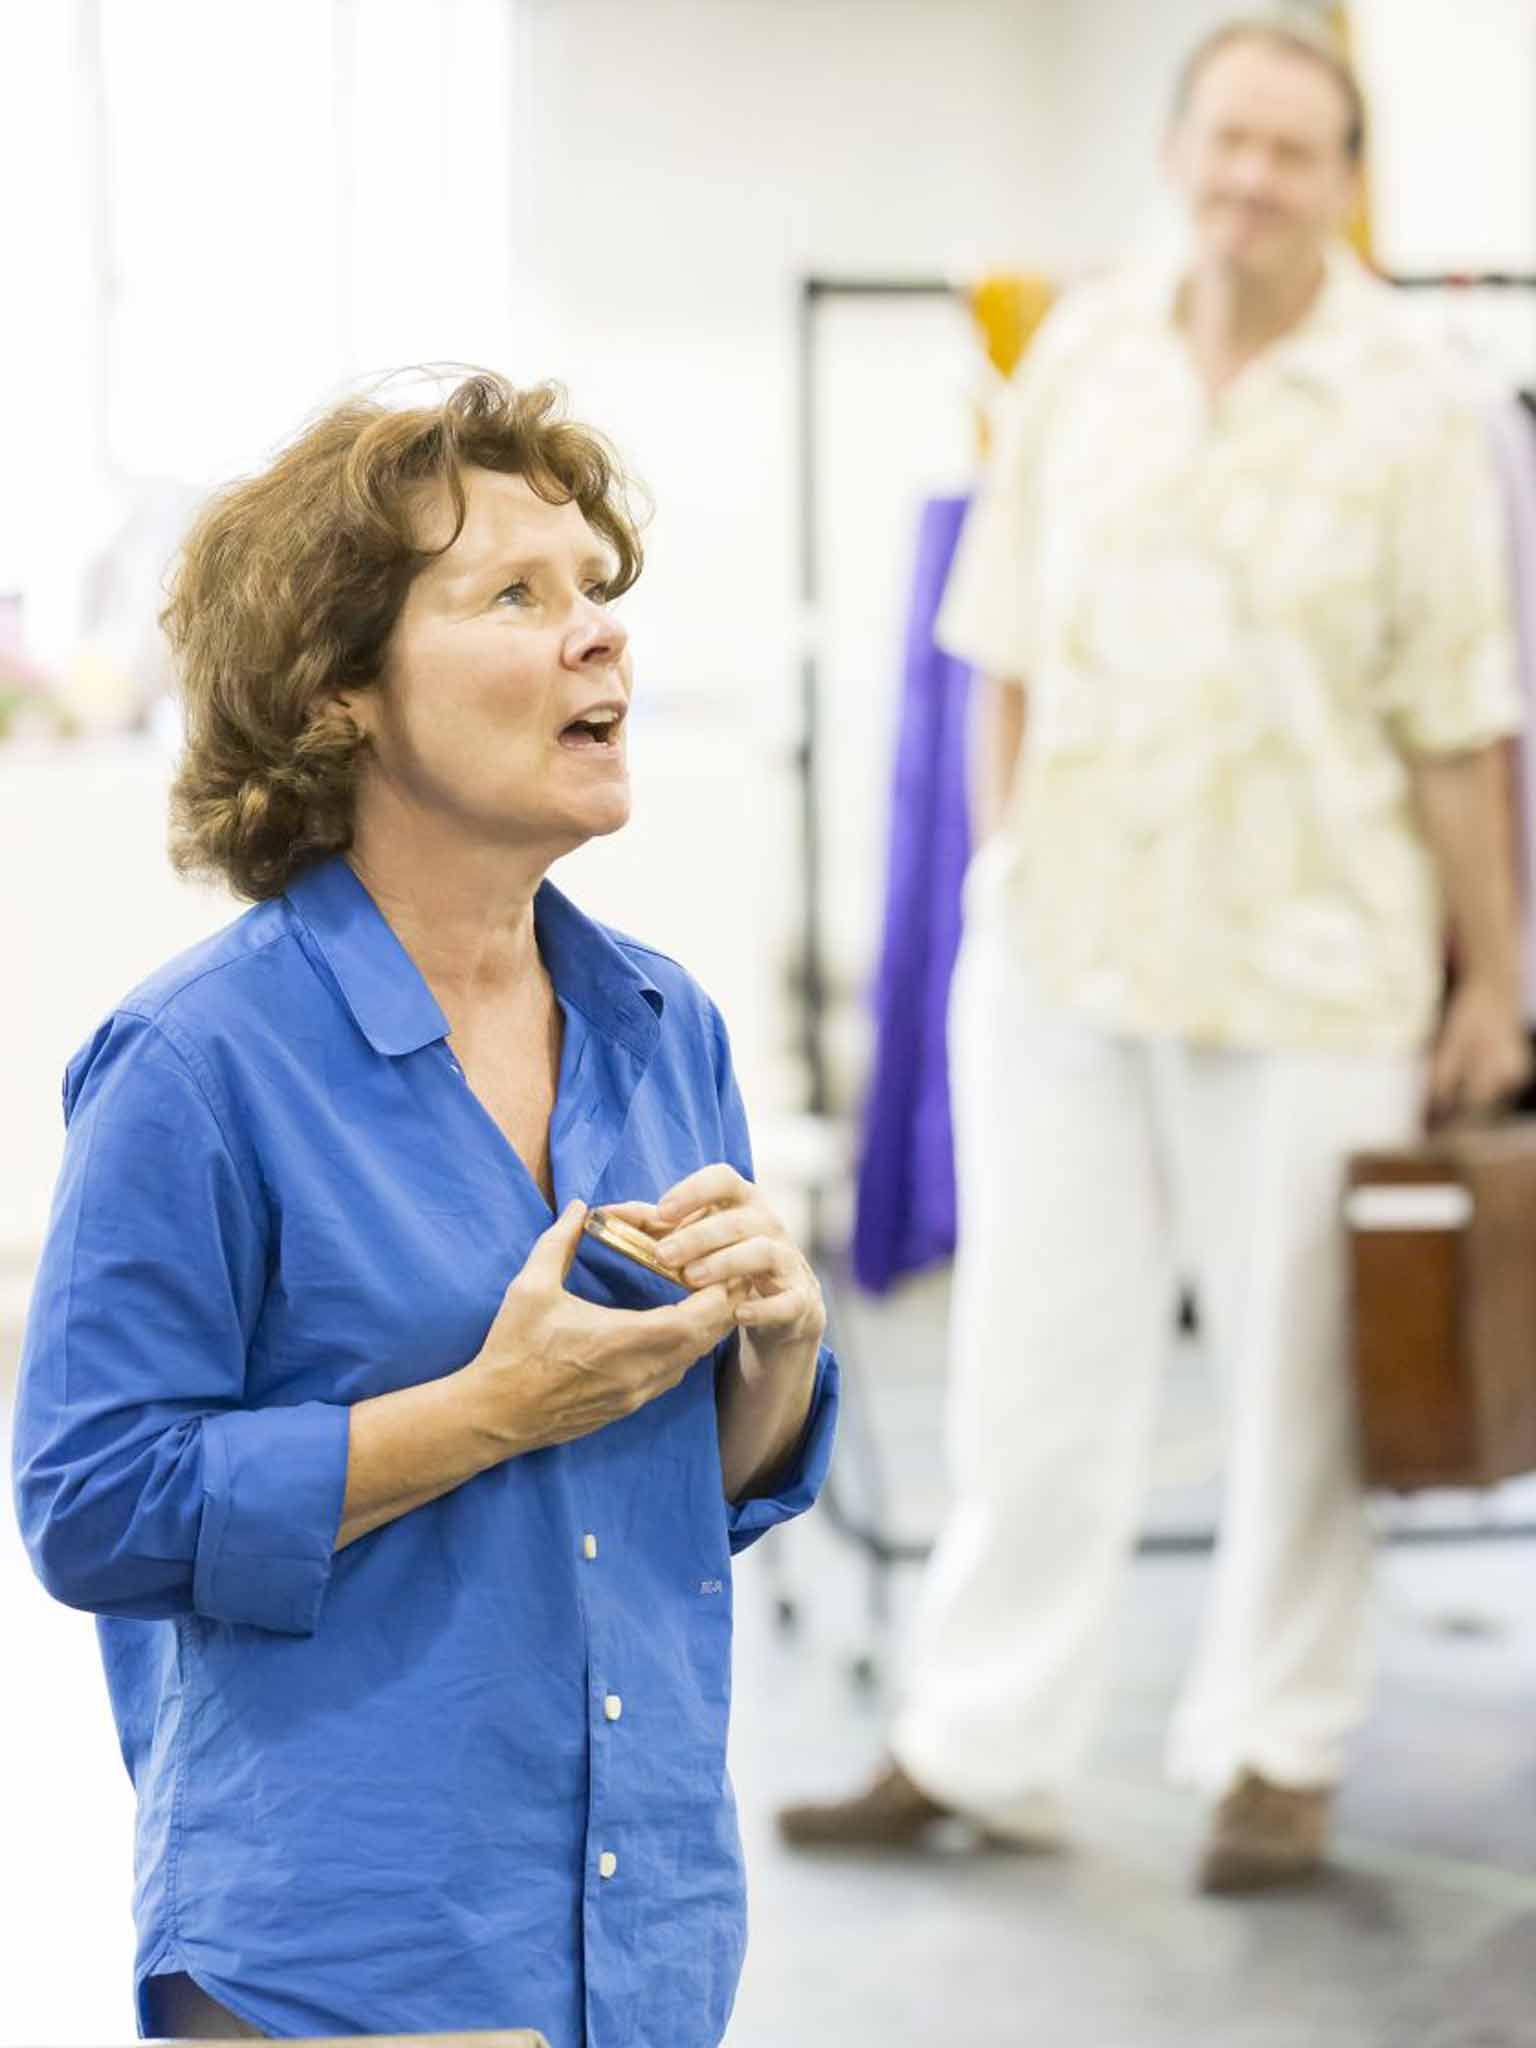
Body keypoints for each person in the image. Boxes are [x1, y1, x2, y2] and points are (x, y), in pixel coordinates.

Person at [779, 16, 1529, 1893]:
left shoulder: (1417, 396)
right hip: (1069, 958)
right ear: (1181, 146)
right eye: (1229, 139)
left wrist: (1495, 980)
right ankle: (977, 1741)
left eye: (1295, 150)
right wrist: (1006, 882)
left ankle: (1278, 1751)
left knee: (1303, 1390)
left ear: (1341, 176)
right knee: (1034, 1369)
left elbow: (1462, 720)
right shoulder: (1087, 353)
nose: (1253, 179)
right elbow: (1000, 643)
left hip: (1315, 968)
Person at [12, 373, 838, 2045]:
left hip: (647, 1935)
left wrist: (779, 1356)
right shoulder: (196, 1065)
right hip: (347, 1956)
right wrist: (483, 1412)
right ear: (340, 697)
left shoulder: (662, 1029)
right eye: (515, 595)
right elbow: (93, 1506)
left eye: (596, 589)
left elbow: (679, 1501)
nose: (597, 634)